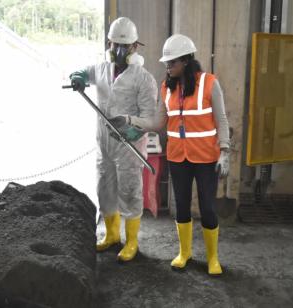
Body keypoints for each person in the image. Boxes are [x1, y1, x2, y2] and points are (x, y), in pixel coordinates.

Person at [69, 17, 158, 262]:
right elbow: (82, 73)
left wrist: (132, 130)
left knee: (129, 192)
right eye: (114, 45)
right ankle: (111, 236)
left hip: (129, 146)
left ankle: (131, 242)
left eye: (124, 46)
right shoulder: (101, 69)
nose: (118, 51)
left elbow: (149, 118)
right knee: (105, 190)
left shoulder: (144, 79)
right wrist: (77, 77)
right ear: (109, 44)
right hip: (104, 145)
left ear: (134, 47)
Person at [141, 34, 230, 275]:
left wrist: (225, 151)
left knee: (208, 207)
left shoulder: (210, 83)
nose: (167, 67)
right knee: (181, 205)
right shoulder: (166, 87)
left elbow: (221, 119)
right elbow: (159, 122)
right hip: (178, 157)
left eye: (172, 63)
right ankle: (184, 253)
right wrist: (132, 122)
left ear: (187, 61)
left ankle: (212, 258)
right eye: (166, 63)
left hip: (206, 158)